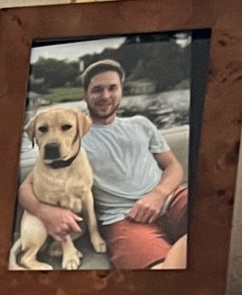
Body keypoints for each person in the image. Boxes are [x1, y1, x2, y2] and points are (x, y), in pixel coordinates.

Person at [18, 56, 188, 271]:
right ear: (85, 95)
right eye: (97, 89)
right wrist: (47, 214)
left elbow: (173, 166)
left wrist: (159, 194)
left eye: (112, 88)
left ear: (121, 91)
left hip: (173, 201)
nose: (106, 95)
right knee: (159, 276)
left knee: (215, 220)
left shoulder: (142, 124)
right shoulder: (71, 136)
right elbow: (26, 188)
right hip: (124, 220)